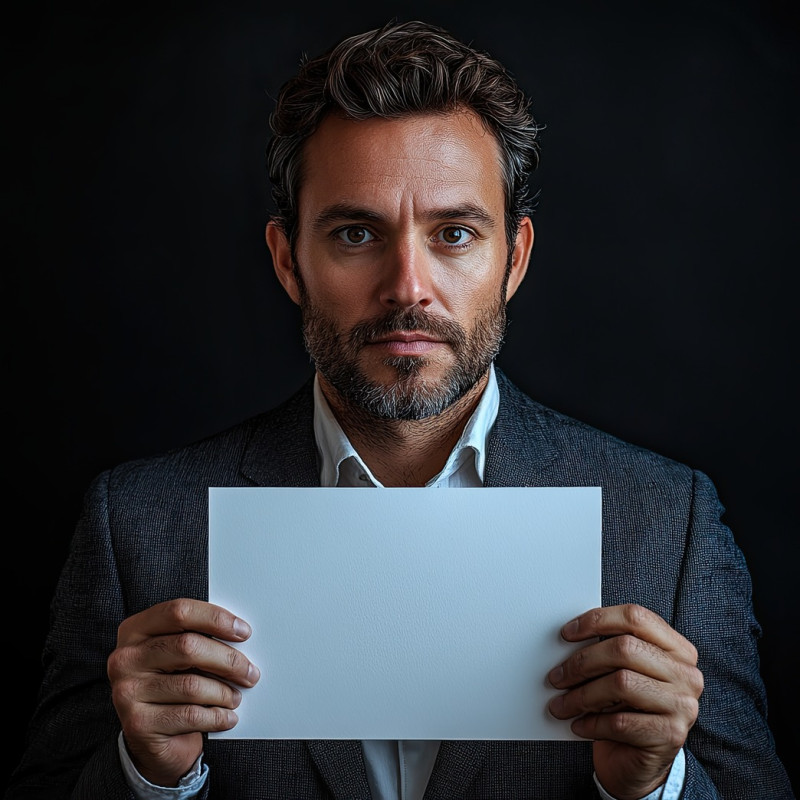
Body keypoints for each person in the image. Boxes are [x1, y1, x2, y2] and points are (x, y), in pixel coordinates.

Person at [5, 18, 794, 800]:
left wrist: (657, 786)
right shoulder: (139, 526)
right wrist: (147, 776)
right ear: (288, 261)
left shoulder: (667, 524)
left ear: (514, 258)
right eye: (356, 233)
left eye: (454, 233)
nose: (407, 287)